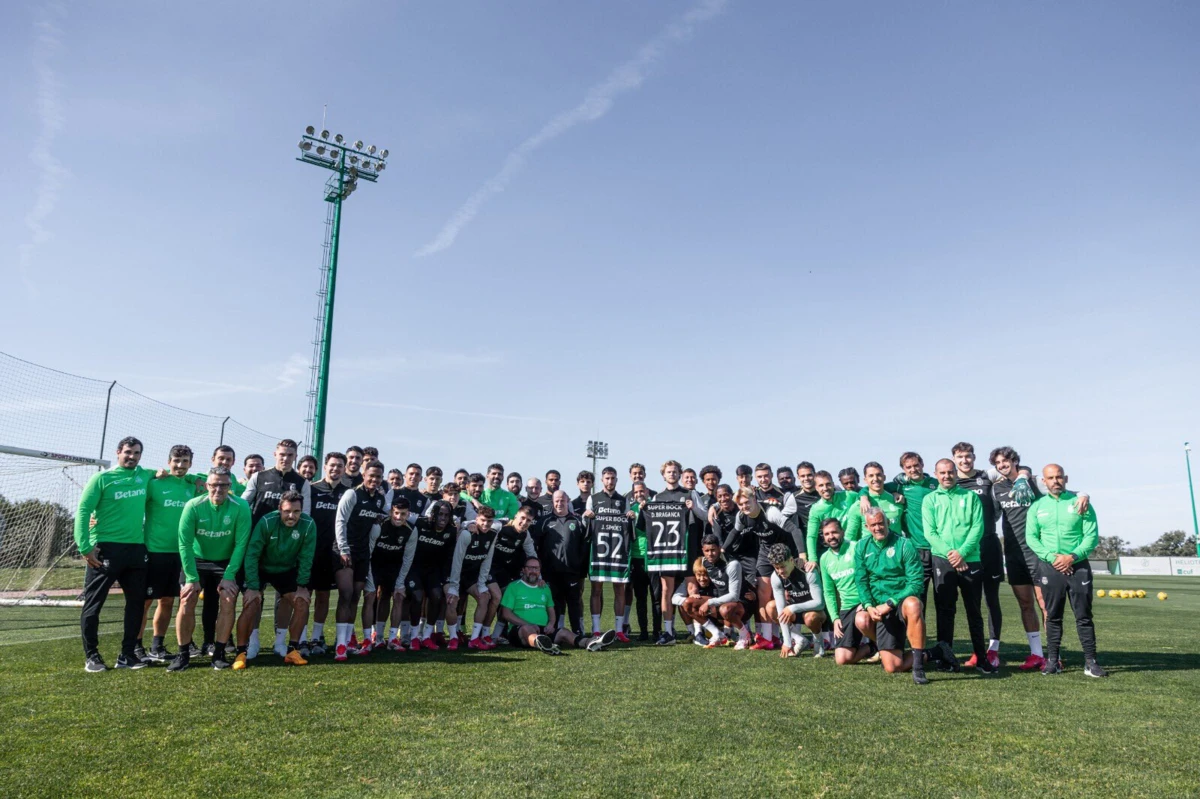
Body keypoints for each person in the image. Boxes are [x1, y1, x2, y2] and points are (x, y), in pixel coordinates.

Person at [989, 446, 1092, 672]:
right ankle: (1036, 654)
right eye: (998, 463)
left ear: (1015, 461)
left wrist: (1083, 494)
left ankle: (1054, 655)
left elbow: (1061, 492)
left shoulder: (1034, 482)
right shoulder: (997, 489)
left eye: (1006, 461)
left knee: (1045, 605)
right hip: (1014, 554)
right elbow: (994, 515)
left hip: (1038, 554)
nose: (1002, 465)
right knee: (1025, 604)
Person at [74, 436, 156, 672]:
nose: (132, 457)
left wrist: (199, 480)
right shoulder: (102, 478)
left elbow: (172, 473)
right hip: (105, 548)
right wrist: (85, 546)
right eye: (128, 452)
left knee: (136, 604)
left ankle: (127, 655)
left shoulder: (145, 474)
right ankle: (92, 656)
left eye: (137, 453)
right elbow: (83, 510)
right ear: (118, 452)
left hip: (136, 549)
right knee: (94, 603)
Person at [168, 467, 252, 671]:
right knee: (187, 599)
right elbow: (184, 544)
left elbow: (241, 544)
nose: (218, 489)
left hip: (226, 562)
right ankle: (183, 654)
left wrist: (230, 576)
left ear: (230, 487)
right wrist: (191, 577)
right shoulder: (193, 506)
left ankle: (220, 653)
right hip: (197, 559)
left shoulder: (240, 506)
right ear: (207, 486)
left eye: (223, 485)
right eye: (214, 484)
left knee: (229, 598)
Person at [1026, 464, 1105, 677]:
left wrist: (1072, 557)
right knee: (1052, 616)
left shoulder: (1081, 503)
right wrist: (1053, 558)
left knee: (1084, 616)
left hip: (1078, 566)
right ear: (1044, 481)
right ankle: (1052, 661)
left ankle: (1091, 662)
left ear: (1066, 478)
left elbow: (1091, 535)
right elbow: (1032, 538)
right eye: (1050, 478)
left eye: (1059, 477)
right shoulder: (1037, 506)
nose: (1055, 481)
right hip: (1050, 566)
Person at [922, 458, 995, 675]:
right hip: (942, 560)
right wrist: (950, 554)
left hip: (970, 559)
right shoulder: (930, 499)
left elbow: (977, 527)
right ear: (936, 474)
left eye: (950, 472)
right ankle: (946, 658)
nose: (946, 476)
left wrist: (961, 553)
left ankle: (982, 659)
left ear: (956, 473)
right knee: (945, 611)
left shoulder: (970, 496)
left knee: (974, 611)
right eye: (942, 473)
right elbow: (930, 533)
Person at [233, 491, 317, 668]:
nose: (291, 516)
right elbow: (252, 555)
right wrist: (254, 587)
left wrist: (302, 585)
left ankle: (292, 650)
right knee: (252, 602)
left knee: (302, 602)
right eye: (287, 511)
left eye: (296, 511)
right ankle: (241, 653)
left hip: (286, 570)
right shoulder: (266, 522)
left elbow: (306, 557)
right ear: (280, 509)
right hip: (261, 567)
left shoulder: (308, 525)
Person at [854, 506, 929, 684]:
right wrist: (868, 605)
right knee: (892, 667)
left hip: (900, 603)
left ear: (888, 522)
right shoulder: (861, 547)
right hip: (878, 607)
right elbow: (861, 580)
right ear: (866, 527)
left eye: (881, 523)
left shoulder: (904, 544)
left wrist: (891, 602)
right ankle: (933, 652)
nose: (877, 528)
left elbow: (916, 582)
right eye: (873, 525)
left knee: (914, 604)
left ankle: (918, 667)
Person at [138, 444, 199, 663]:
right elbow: (132, 503)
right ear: (168, 461)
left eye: (185, 461)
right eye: (176, 460)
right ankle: (136, 647)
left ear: (190, 464)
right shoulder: (154, 483)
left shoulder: (192, 487)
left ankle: (157, 645)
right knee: (144, 601)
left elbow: (212, 478)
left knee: (167, 601)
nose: (180, 465)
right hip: (154, 551)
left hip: (181, 553)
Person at [952, 442, 1004, 670]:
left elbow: (1018, 468)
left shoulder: (986, 477)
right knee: (971, 603)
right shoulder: (950, 481)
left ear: (974, 457)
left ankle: (993, 650)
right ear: (954, 459)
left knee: (991, 599)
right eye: (960, 457)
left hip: (989, 544)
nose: (965, 460)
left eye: (968, 456)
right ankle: (977, 650)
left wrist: (1022, 474)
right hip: (966, 550)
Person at [734, 487, 806, 650]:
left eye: (747, 502)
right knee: (763, 595)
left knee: (789, 595)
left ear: (755, 499)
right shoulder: (742, 516)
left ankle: (795, 636)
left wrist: (801, 555)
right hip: (766, 555)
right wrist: (723, 550)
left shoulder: (771, 512)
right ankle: (768, 637)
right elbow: (734, 533)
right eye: (741, 504)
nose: (745, 506)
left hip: (785, 553)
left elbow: (794, 529)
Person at [332, 460, 390, 660]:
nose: (374, 480)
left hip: (364, 553)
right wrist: (343, 548)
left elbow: (388, 514)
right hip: (345, 550)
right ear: (364, 475)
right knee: (346, 595)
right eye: (371, 476)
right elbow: (340, 521)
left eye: (378, 477)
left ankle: (348, 641)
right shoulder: (352, 494)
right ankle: (339, 645)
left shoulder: (380, 500)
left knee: (356, 597)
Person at [499, 557, 616, 654]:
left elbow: (551, 610)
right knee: (527, 629)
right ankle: (541, 643)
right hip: (519, 630)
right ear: (524, 570)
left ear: (540, 571)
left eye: (536, 568)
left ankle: (590, 643)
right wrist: (526, 624)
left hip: (542, 629)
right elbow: (506, 613)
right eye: (530, 568)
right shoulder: (514, 587)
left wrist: (550, 624)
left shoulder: (544, 588)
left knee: (563, 632)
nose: (533, 571)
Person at [884, 452, 939, 615]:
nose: (913, 469)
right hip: (916, 549)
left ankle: (944, 640)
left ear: (922, 464)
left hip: (939, 548)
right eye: (908, 467)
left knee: (943, 597)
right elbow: (874, 488)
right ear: (903, 469)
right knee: (917, 597)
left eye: (916, 465)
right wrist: (865, 498)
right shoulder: (899, 486)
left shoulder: (935, 483)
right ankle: (918, 637)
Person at [584, 467, 634, 640]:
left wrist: (630, 516)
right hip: (598, 552)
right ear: (602, 480)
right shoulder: (594, 498)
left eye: (613, 478)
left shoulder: (623, 500)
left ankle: (619, 630)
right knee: (596, 590)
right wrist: (587, 515)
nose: (610, 481)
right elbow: (586, 525)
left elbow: (628, 526)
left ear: (616, 480)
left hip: (618, 552)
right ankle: (596, 629)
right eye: (607, 478)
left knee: (620, 590)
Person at [306, 452, 348, 656]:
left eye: (340, 466)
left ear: (344, 469)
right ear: (325, 467)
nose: (335, 469)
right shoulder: (312, 489)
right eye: (332, 465)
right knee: (304, 596)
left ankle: (316, 638)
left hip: (331, 553)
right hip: (310, 551)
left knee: (323, 596)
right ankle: (301, 638)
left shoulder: (348, 493)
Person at [818, 518, 873, 666]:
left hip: (864, 603)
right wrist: (835, 618)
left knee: (862, 619)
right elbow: (828, 592)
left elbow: (872, 576)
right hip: (846, 608)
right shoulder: (824, 559)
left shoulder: (856, 547)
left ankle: (887, 645)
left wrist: (867, 601)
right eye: (827, 534)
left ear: (842, 532)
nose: (831, 536)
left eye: (834, 532)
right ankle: (873, 647)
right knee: (842, 659)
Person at [483, 503, 540, 646]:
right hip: (487, 568)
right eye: (522, 518)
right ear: (516, 515)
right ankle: (484, 634)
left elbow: (532, 554)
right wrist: (468, 525)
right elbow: (479, 521)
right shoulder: (499, 526)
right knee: (496, 597)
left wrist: (539, 577)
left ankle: (496, 635)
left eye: (528, 520)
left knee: (509, 599)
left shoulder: (525, 535)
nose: (524, 522)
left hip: (504, 571)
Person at [445, 505, 500, 651]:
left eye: (489, 521)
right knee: (452, 600)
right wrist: (454, 587)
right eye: (482, 520)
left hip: (471, 577)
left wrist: (482, 584)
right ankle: (453, 638)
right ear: (476, 519)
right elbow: (457, 561)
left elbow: (487, 560)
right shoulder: (467, 534)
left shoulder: (493, 534)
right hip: (454, 575)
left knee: (484, 596)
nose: (485, 524)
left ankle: (474, 638)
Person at [406, 500, 459, 650]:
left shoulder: (451, 531)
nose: (443, 518)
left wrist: (447, 580)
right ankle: (414, 637)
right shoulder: (420, 523)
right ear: (434, 514)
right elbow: (403, 516)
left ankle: (428, 636)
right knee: (417, 597)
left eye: (447, 515)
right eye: (440, 514)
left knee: (436, 596)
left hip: (433, 571)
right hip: (414, 569)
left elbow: (448, 558)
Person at [535, 490, 588, 635]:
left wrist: (581, 569)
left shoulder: (577, 521)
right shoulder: (544, 521)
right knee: (554, 604)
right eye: (557, 501)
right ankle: (554, 631)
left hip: (572, 571)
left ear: (567, 501)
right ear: (553, 502)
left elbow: (584, 546)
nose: (559, 503)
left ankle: (577, 631)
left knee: (574, 603)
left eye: (562, 500)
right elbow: (535, 546)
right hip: (551, 572)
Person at [371, 498, 419, 651]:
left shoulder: (411, 530)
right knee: (380, 596)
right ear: (391, 511)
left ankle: (392, 638)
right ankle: (377, 637)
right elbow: (370, 550)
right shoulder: (380, 525)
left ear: (408, 514)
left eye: (403, 514)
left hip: (396, 567)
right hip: (376, 565)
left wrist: (400, 581)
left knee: (398, 596)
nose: (399, 517)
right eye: (396, 513)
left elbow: (408, 558)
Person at [767, 543, 826, 658]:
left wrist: (792, 608)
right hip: (795, 611)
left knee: (810, 617)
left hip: (815, 611)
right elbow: (780, 610)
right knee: (771, 607)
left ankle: (819, 643)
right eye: (776, 567)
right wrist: (787, 642)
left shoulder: (808, 571)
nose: (780, 571)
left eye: (782, 566)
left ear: (791, 560)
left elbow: (819, 603)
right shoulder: (775, 577)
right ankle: (800, 640)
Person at [695, 534, 749, 648]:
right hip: (720, 603)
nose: (710, 554)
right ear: (702, 550)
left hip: (739, 604)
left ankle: (745, 635)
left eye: (713, 550)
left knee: (725, 609)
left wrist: (709, 602)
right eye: (707, 550)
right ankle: (718, 634)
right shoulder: (705, 562)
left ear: (720, 548)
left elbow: (734, 596)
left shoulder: (732, 564)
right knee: (688, 603)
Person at [623, 481, 660, 641]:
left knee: (656, 597)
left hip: (653, 558)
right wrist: (628, 518)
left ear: (647, 491)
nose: (639, 494)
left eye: (642, 491)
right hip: (637, 560)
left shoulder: (655, 507)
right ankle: (644, 631)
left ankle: (657, 631)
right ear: (633, 494)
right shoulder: (630, 510)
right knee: (640, 598)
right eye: (636, 492)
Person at [805, 471, 858, 564]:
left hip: (855, 546)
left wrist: (864, 496)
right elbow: (811, 536)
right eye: (821, 485)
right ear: (816, 488)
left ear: (833, 484)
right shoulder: (816, 509)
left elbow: (867, 492)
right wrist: (812, 559)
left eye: (828, 484)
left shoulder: (848, 496)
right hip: (836, 550)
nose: (825, 488)